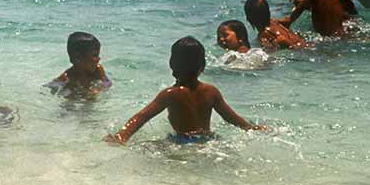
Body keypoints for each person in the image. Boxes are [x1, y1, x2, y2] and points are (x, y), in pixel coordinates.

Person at [106, 36, 264, 144]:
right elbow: (232, 118)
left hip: (181, 142)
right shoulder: (211, 91)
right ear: (202, 67)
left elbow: (141, 118)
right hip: (208, 140)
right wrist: (251, 128)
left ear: (172, 65)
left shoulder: (170, 94)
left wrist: (122, 135)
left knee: (145, 148)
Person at [46, 31, 112, 96]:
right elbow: (52, 86)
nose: (98, 59)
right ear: (78, 59)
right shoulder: (67, 77)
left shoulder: (98, 70)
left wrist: (98, 88)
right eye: (95, 55)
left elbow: (107, 83)